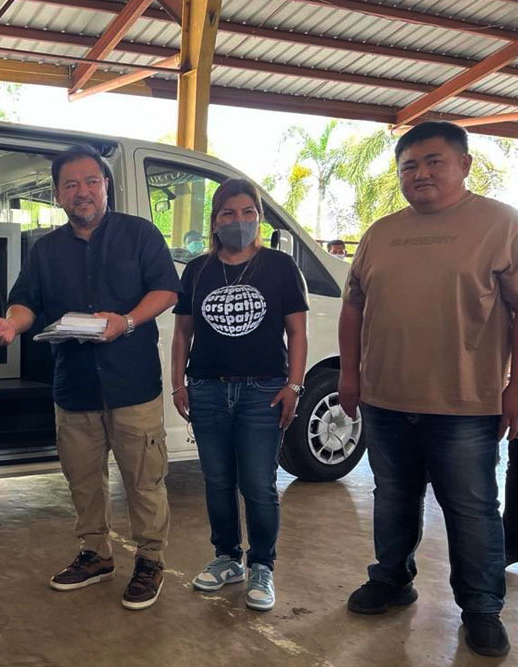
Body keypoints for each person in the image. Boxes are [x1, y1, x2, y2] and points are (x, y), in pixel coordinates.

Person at [339, 121, 518, 657]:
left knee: (471, 509)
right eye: (409, 166)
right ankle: (392, 579)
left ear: (464, 165)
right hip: (386, 399)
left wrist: (515, 388)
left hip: (465, 404)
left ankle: (482, 607)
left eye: (434, 161)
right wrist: (350, 374)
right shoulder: (381, 233)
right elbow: (353, 306)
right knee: (392, 497)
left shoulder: (500, 225)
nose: (420, 174)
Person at [0, 144, 180, 611]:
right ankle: (96, 554)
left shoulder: (140, 235)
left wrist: (127, 322)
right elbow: (26, 300)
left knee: (144, 480)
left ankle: (151, 561)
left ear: (106, 186)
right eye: (71, 185)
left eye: (91, 181)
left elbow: (166, 289)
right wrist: (13, 324)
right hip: (74, 387)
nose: (83, 192)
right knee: (82, 478)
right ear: (57, 195)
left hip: (132, 383)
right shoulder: (46, 250)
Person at [170, 178, 308, 612]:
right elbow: (181, 335)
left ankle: (262, 565)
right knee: (217, 481)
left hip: (263, 392)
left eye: (248, 212)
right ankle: (227, 557)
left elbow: (297, 332)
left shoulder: (281, 267)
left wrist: (295, 385)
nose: (239, 221)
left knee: (259, 484)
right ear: (214, 221)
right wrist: (179, 383)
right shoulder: (197, 270)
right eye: (228, 213)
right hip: (208, 389)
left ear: (260, 218)